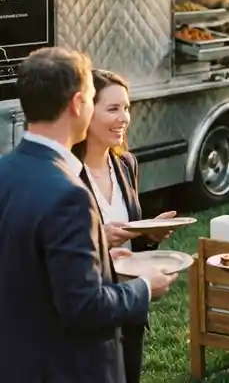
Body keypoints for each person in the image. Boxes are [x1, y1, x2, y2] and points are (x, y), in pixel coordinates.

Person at [0, 47, 175, 383]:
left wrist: (106, 257)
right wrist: (143, 287)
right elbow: (84, 306)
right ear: (77, 104)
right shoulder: (70, 195)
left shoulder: (5, 171)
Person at [73, 70, 178, 383]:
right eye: (113, 109)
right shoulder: (67, 174)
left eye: (127, 108)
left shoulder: (126, 164)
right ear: (86, 112)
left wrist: (149, 234)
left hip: (130, 304)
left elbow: (134, 244)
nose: (124, 118)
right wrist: (99, 238)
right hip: (89, 307)